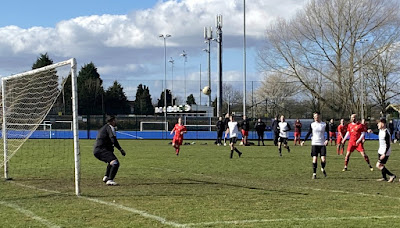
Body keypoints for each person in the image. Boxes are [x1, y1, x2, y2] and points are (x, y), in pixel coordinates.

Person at [93, 115, 126, 186]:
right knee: (115, 163)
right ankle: (110, 180)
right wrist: (120, 149)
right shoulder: (110, 128)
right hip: (102, 150)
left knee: (111, 162)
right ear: (112, 121)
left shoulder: (104, 127)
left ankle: (106, 177)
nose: (116, 121)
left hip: (97, 150)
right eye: (115, 120)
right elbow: (113, 139)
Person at [301, 112, 329, 179]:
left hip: (322, 143)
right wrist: (304, 141)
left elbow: (328, 132)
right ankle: (314, 174)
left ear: (320, 116)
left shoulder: (324, 124)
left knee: (323, 159)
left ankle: (322, 168)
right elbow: (309, 133)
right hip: (314, 143)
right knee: (315, 159)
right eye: (315, 116)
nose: (316, 117)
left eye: (317, 116)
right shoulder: (312, 124)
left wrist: (327, 139)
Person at [367, 118, 396, 182]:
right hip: (380, 150)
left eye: (379, 123)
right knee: (382, 165)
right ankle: (384, 178)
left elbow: (388, 145)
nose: (377, 124)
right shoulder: (381, 131)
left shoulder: (386, 132)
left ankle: (392, 175)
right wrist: (372, 132)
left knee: (378, 165)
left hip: (385, 151)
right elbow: (378, 134)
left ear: (383, 124)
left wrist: (384, 154)